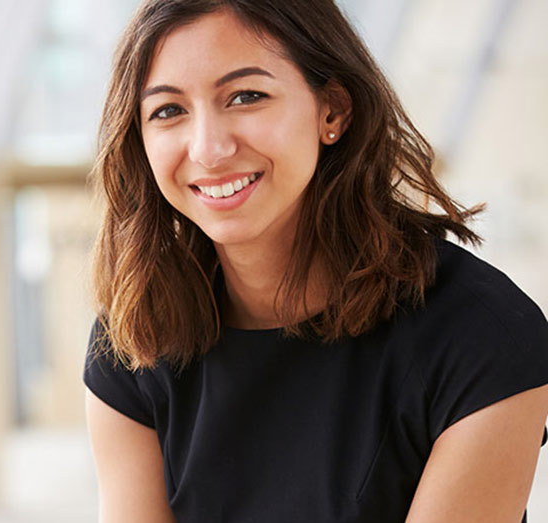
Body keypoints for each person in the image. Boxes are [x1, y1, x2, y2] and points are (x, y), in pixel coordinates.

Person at [82, 1, 548, 521]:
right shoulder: (135, 335)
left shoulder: (483, 336)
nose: (209, 149)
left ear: (333, 111)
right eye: (168, 110)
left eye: (246, 96)